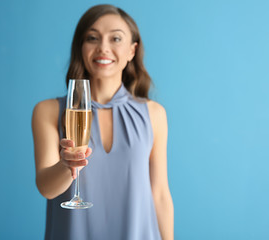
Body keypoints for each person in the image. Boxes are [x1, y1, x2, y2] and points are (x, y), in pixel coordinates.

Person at [32, 4, 174, 240]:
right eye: (92, 38)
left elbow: (160, 194)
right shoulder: (48, 111)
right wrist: (67, 166)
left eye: (116, 38)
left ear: (132, 51)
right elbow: (47, 189)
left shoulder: (154, 114)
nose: (103, 48)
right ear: (81, 47)